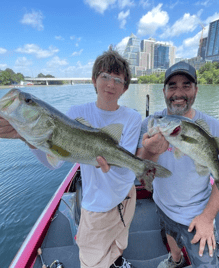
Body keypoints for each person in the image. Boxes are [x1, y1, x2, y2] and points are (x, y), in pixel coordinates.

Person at [0, 48, 141, 268]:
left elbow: (127, 170)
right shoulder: (77, 111)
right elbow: (53, 161)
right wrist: (26, 138)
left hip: (127, 196)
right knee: (91, 260)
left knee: (121, 242)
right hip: (97, 205)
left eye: (117, 79)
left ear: (125, 88)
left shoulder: (132, 118)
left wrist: (116, 166)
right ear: (94, 80)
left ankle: (117, 261)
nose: (110, 84)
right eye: (105, 77)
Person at [136, 61, 219, 268]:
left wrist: (207, 218)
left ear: (196, 90)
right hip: (163, 205)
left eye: (186, 85)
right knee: (170, 233)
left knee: (207, 264)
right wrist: (151, 151)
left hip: (197, 214)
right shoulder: (151, 123)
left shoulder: (213, 126)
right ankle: (176, 259)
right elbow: (142, 175)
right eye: (172, 86)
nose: (178, 92)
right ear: (163, 91)